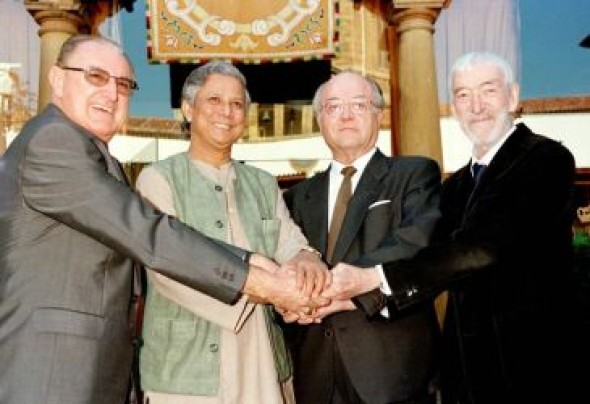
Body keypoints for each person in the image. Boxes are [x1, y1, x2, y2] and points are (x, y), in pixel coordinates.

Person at [0, 35, 318, 404]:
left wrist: (295, 268)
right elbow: (150, 234)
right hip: (54, 373)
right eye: (95, 77)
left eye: (123, 84)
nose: (112, 93)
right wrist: (258, 279)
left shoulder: (97, 156)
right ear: (56, 78)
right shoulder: (53, 141)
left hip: (90, 368)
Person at [135, 61, 328, 404]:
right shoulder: (157, 179)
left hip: (263, 360)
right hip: (185, 370)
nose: (227, 111)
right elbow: (168, 270)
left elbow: (289, 240)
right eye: (214, 100)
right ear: (188, 108)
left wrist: (306, 262)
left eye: (237, 103)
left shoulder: (263, 184)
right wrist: (276, 292)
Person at [282, 70, 444, 404]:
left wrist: (334, 294)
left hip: (391, 374)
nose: (345, 115)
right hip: (315, 375)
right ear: (320, 119)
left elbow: (414, 246)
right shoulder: (296, 197)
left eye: (358, 104)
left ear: (378, 114)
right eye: (333, 106)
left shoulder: (414, 174)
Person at [434, 51, 579, 403]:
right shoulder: (453, 189)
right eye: (464, 95)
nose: (476, 106)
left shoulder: (545, 159)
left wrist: (378, 279)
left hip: (532, 372)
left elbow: (483, 248)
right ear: (454, 107)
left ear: (513, 97)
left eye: (488, 90)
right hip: (466, 379)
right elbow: (429, 256)